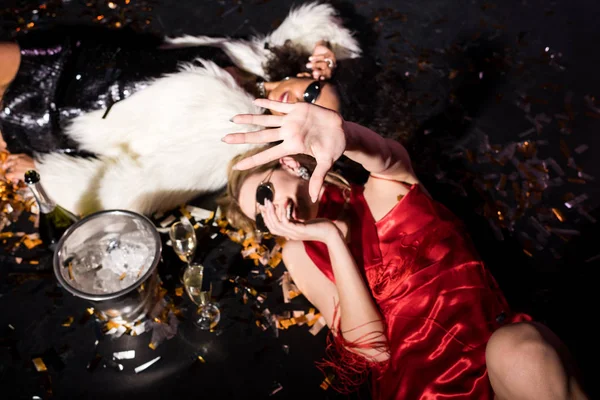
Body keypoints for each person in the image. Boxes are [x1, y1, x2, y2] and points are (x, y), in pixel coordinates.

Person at [218, 98, 589, 399]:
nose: (272, 211)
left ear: (286, 163)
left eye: (266, 193)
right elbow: (371, 350)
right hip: (421, 389)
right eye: (260, 217)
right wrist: (331, 238)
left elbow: (385, 155)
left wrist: (344, 134)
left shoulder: (383, 188)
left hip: (504, 358)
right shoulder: (301, 253)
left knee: (518, 349)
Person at [0, 2, 363, 216]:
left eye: (307, 116)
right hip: (77, 55)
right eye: (312, 91)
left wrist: (44, 175)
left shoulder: (231, 141)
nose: (298, 103)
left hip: (55, 113)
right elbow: (311, 20)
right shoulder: (261, 61)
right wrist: (323, 46)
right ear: (304, 74)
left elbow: (130, 192)